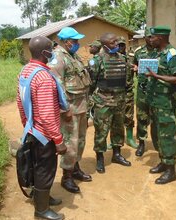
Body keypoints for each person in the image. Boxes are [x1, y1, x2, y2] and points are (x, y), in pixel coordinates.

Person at [17, 35, 69, 220]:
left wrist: (27, 125)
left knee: (37, 166)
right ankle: (41, 211)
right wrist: (59, 140)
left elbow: (20, 102)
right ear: (45, 52)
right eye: (51, 48)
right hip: (44, 134)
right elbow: (47, 115)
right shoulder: (44, 77)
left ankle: (43, 199)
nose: (54, 51)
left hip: (32, 130)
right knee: (45, 170)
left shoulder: (26, 71)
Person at [48, 27, 92, 193]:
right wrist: (64, 109)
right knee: (70, 143)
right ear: (66, 42)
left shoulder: (73, 56)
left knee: (80, 140)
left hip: (81, 105)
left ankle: (76, 168)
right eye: (74, 41)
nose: (77, 44)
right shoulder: (57, 57)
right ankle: (66, 176)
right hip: (70, 108)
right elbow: (56, 86)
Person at [89, 32, 132, 173]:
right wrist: (93, 102)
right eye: (113, 43)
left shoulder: (123, 58)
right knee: (101, 131)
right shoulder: (97, 61)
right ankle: (100, 158)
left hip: (119, 101)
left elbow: (126, 80)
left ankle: (117, 154)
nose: (116, 45)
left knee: (118, 128)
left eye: (117, 42)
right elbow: (91, 84)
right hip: (103, 102)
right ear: (105, 45)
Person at [145, 26, 176, 184]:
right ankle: (163, 161)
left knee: (167, 135)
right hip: (155, 101)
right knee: (158, 134)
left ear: (160, 38)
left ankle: (170, 170)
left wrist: (156, 75)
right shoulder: (156, 53)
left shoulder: (172, 54)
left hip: (166, 102)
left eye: (152, 37)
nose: (150, 39)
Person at [132, 28, 155, 156]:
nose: (151, 39)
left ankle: (157, 142)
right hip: (142, 88)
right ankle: (141, 142)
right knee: (141, 116)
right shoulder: (139, 52)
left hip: (156, 89)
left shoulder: (160, 51)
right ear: (144, 38)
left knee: (156, 116)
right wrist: (135, 68)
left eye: (153, 37)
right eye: (148, 37)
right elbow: (134, 64)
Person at [117, 35, 138, 148]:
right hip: (116, 92)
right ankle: (116, 140)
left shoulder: (132, 56)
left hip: (128, 91)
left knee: (129, 116)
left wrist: (137, 68)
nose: (121, 47)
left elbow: (139, 68)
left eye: (122, 45)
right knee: (116, 117)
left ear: (126, 45)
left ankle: (129, 138)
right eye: (119, 45)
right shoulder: (112, 57)